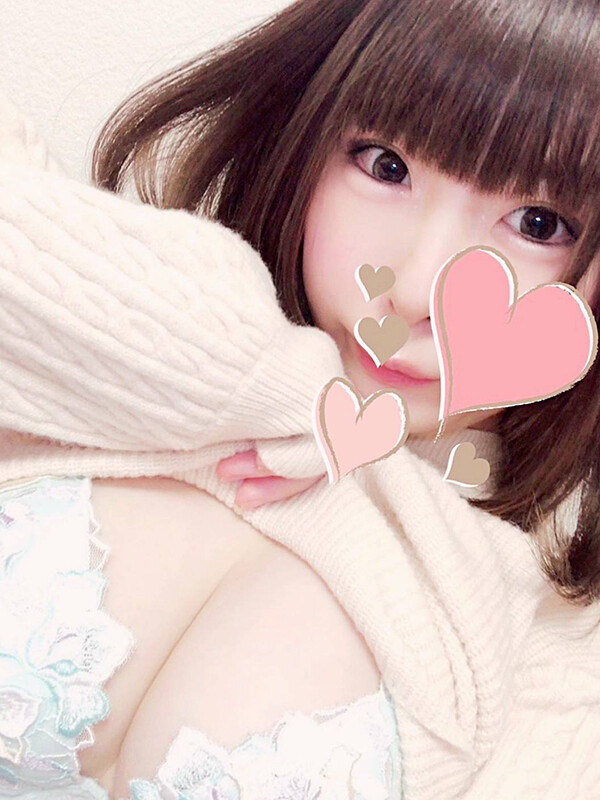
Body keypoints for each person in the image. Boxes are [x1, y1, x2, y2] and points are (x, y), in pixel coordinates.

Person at [1, 1, 600, 798]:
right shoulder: (140, 334)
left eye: (539, 223)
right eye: (385, 166)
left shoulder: (554, 655)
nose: (416, 289)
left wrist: (373, 473)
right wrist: (260, 375)